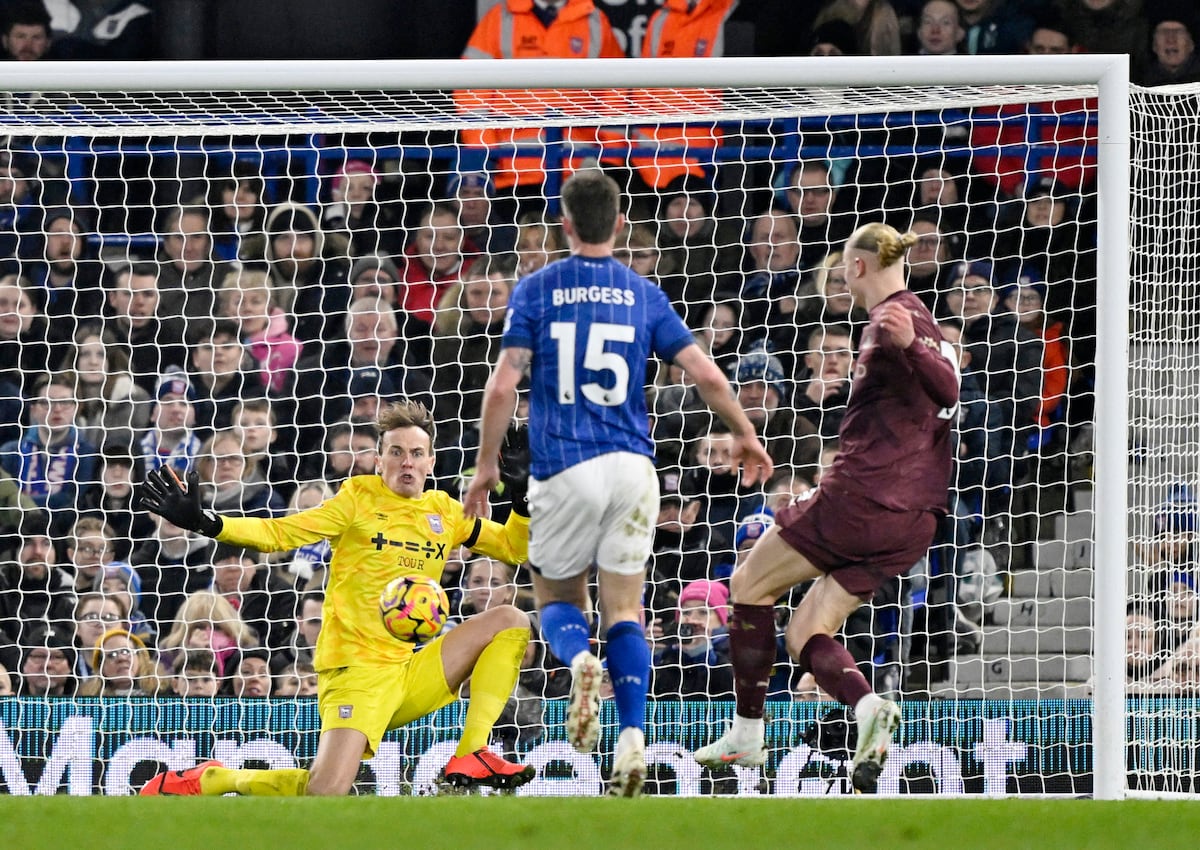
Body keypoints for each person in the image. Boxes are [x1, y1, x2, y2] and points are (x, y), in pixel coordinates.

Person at [464, 171, 773, 797]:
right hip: (634, 469)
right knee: (626, 610)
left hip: (564, 468)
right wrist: (744, 431)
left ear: (565, 223)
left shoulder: (537, 289)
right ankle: (632, 739)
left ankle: (580, 661)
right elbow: (707, 374)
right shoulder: (643, 293)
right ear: (622, 223)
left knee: (558, 602)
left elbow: (501, 387)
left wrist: (487, 464)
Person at [138, 399, 537, 796]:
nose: (407, 463)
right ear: (379, 460)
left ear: (431, 461)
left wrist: (521, 501)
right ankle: (217, 778)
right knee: (324, 792)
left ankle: (473, 752)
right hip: (356, 674)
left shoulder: (444, 512)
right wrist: (205, 522)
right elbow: (281, 533)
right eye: (396, 452)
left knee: (512, 620)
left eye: (417, 453)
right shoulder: (356, 500)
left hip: (411, 671)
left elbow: (514, 549)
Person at [693, 222, 959, 794]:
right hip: (914, 518)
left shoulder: (896, 318)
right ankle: (868, 708)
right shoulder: (923, 320)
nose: (839, 274)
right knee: (805, 631)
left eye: (843, 265)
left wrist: (908, 344)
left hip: (862, 496)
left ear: (857, 267)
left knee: (748, 584)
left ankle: (746, 731)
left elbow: (948, 389)